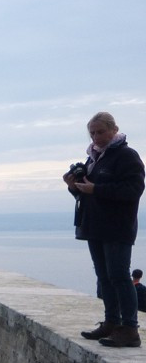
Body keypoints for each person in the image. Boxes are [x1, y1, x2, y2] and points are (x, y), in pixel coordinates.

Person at [66, 111, 145, 347]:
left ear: (114, 130)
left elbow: (133, 190)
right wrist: (75, 187)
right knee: (104, 277)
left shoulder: (126, 156)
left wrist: (96, 189)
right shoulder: (95, 158)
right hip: (95, 226)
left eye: (100, 132)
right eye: (92, 133)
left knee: (120, 276)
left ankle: (130, 329)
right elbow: (89, 191)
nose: (96, 137)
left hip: (117, 227)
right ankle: (111, 323)